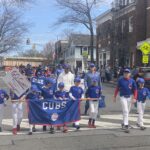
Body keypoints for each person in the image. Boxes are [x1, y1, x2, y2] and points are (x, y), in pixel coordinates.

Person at [113, 68, 137, 133]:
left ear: (130, 74)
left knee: (127, 111)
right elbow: (117, 89)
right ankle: (126, 125)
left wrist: (135, 97)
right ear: (123, 74)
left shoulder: (132, 81)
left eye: (127, 73)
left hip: (130, 97)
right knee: (125, 110)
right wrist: (114, 96)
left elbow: (135, 90)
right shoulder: (120, 80)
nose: (126, 74)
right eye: (125, 73)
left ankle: (124, 123)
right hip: (123, 97)